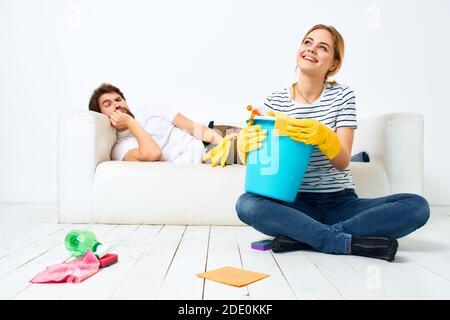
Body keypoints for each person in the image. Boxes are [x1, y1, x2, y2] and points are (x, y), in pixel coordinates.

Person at [234, 24, 430, 262]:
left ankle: (304, 236)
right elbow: (266, 167)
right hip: (295, 204)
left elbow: (342, 161)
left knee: (417, 206)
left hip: (341, 202)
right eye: (307, 42)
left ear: (333, 64)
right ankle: (336, 239)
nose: (311, 49)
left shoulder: (343, 96)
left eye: (322, 47)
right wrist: (247, 149)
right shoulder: (275, 102)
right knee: (247, 204)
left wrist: (324, 136)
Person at [88, 83, 228, 163]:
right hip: (204, 159)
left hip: (211, 137)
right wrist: (131, 122)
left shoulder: (150, 109)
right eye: (108, 104)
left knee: (247, 142)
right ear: (102, 115)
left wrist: (221, 142)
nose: (117, 105)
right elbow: (154, 154)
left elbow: (192, 127)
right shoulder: (120, 149)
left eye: (119, 100)